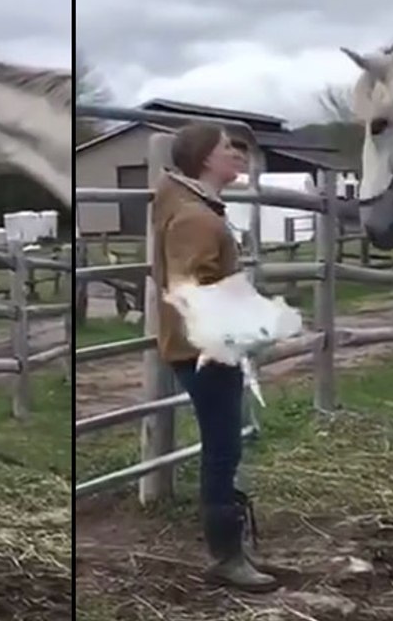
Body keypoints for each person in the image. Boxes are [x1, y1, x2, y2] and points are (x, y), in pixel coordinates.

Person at [152, 122, 282, 592]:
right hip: (206, 351)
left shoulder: (192, 207)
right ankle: (226, 557)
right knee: (222, 451)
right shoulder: (196, 218)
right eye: (230, 148)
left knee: (222, 447)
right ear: (206, 158)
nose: (240, 154)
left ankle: (230, 550)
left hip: (203, 347)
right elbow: (191, 289)